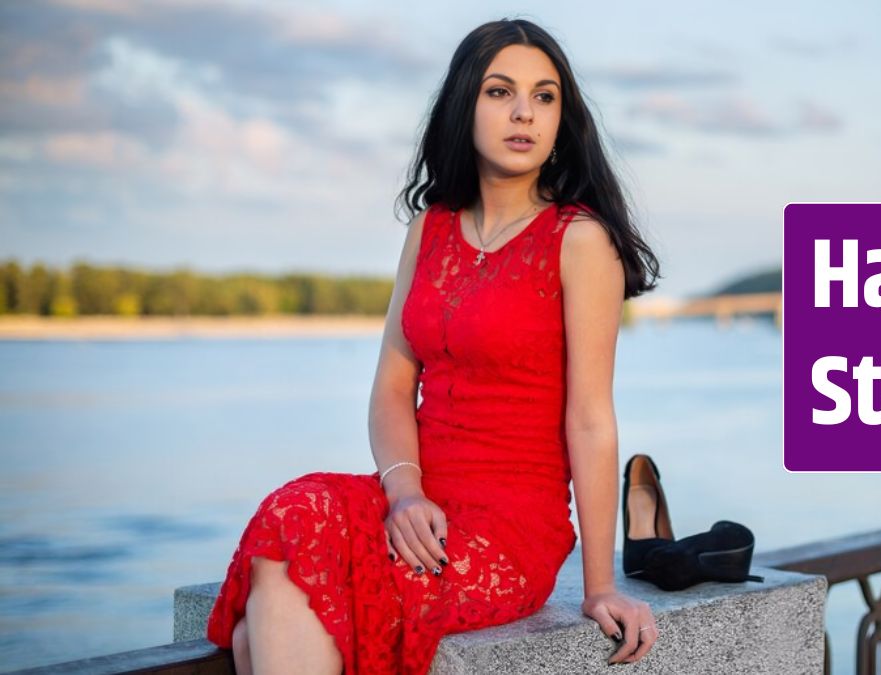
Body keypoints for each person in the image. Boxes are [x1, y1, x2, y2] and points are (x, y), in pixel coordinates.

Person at [205, 17, 662, 675]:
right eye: (500, 92)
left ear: (563, 117)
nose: (524, 112)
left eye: (545, 95)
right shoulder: (431, 226)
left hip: (507, 532)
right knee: (289, 520)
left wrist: (599, 585)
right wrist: (404, 492)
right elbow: (392, 386)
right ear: (464, 104)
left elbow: (590, 418)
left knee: (269, 621)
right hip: (417, 503)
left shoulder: (580, 240)